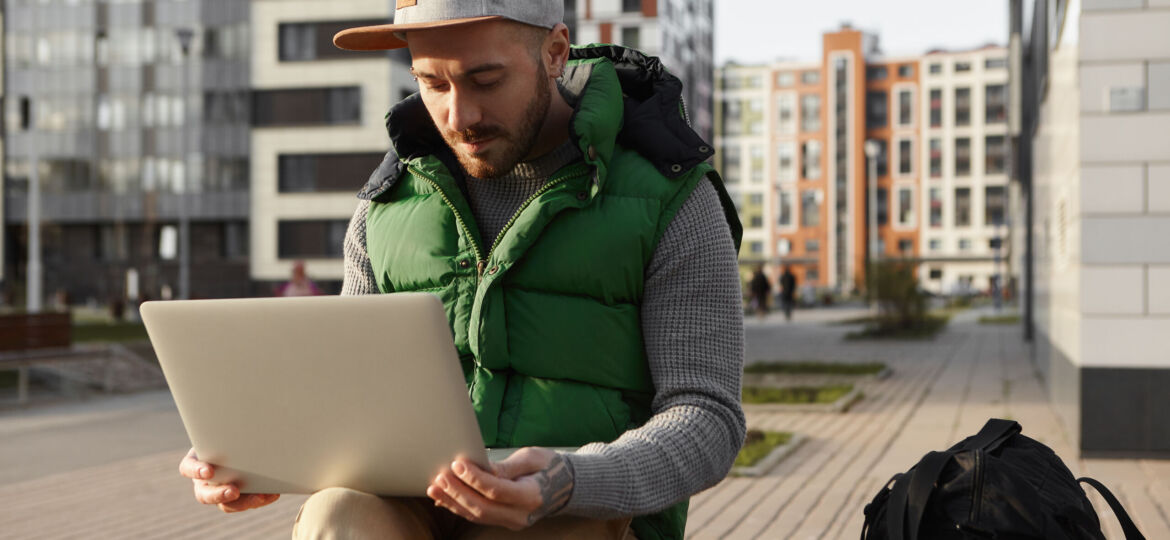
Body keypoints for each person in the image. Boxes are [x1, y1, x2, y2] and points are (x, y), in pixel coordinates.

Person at [178, 2, 745, 539]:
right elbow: (350, 396)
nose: (459, 114)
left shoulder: (673, 199)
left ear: (555, 52)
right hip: (410, 500)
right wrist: (259, 454)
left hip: (579, 513)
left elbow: (708, 416)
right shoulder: (385, 204)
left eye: (486, 80)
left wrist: (573, 480)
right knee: (337, 516)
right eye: (431, 83)